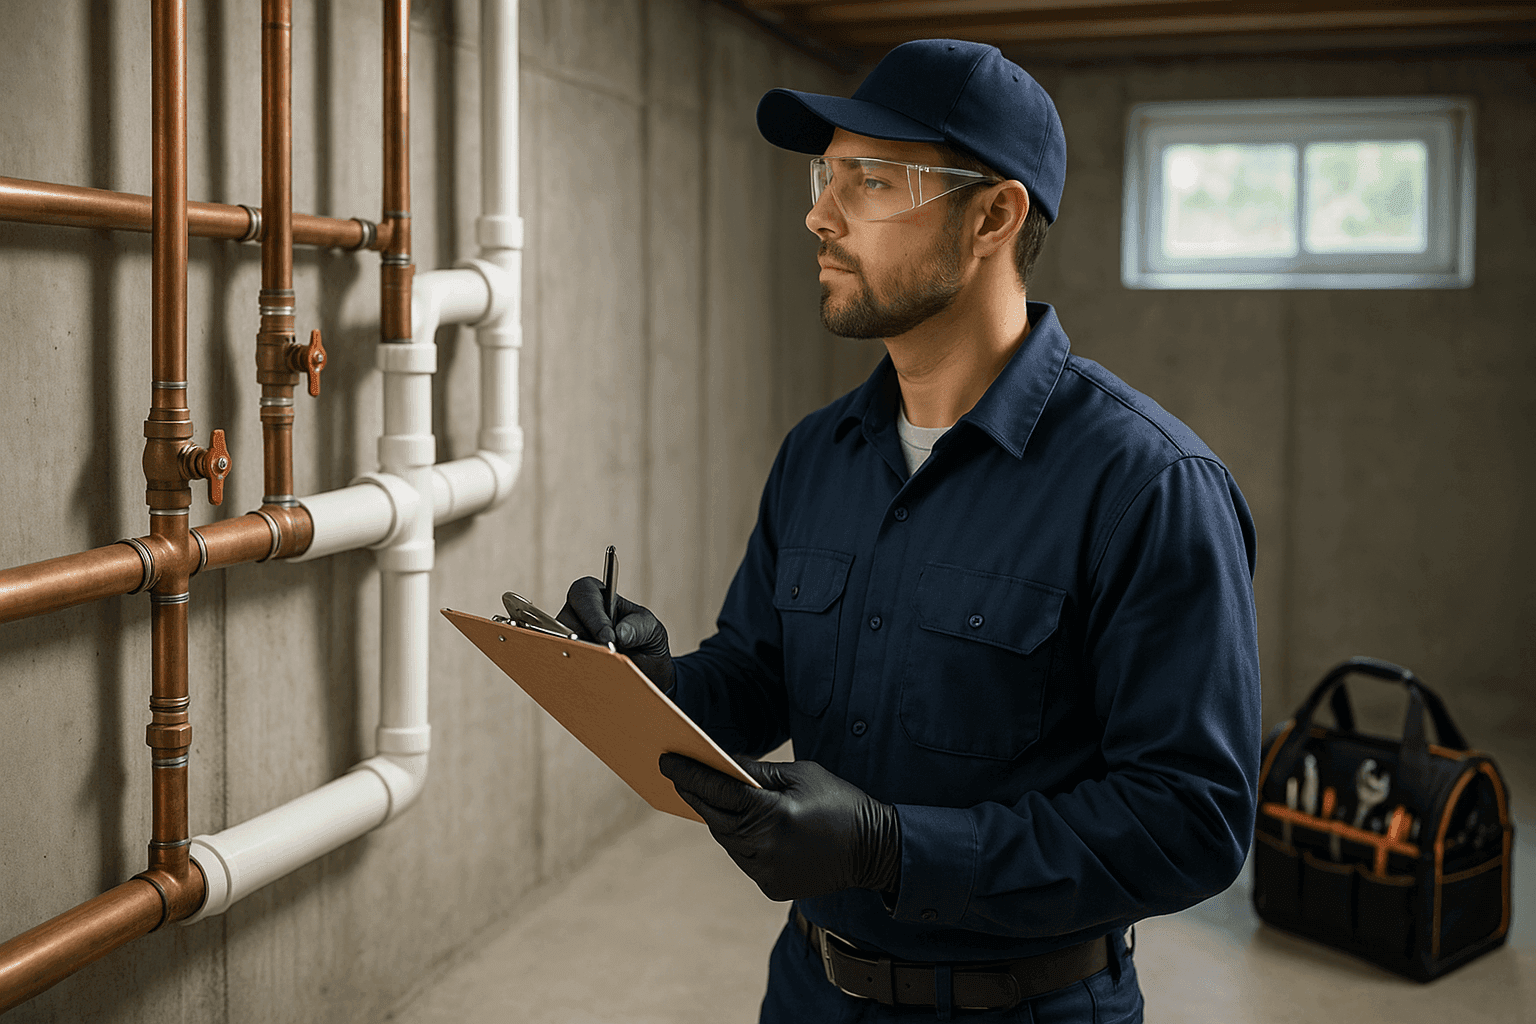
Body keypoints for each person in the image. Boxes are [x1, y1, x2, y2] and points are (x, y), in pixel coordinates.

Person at [557, 38, 1261, 1023]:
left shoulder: (1148, 484)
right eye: (824, 175)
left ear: (993, 216)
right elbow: (758, 679)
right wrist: (657, 679)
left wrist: (895, 848)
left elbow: (1192, 820)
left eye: (871, 181)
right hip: (809, 989)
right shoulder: (819, 454)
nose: (819, 212)